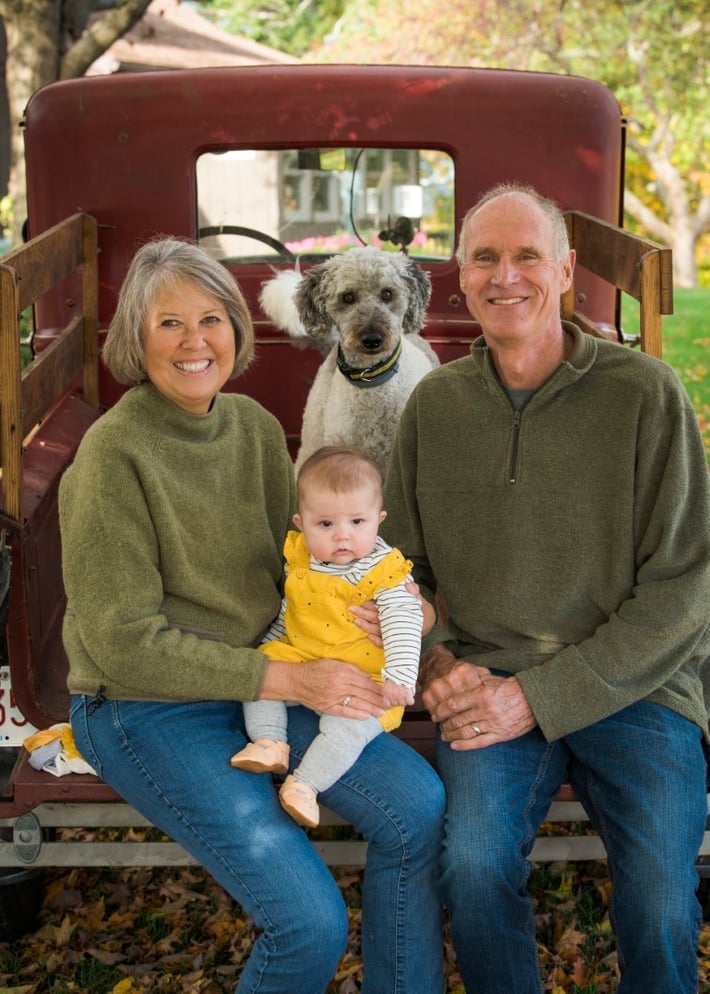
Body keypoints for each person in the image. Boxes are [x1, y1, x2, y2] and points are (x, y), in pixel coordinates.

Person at [60, 238, 446, 994]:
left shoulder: (255, 428)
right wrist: (289, 679)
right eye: (169, 323)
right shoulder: (113, 455)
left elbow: (306, 559)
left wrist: (395, 602)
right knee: (309, 923)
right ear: (135, 337)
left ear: (238, 329)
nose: (195, 341)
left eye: (212, 318)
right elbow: (121, 641)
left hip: (259, 682)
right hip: (143, 706)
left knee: (417, 807)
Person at [382, 182, 710, 994]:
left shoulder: (645, 394)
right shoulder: (435, 407)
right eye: (485, 258)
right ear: (459, 276)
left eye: (527, 256)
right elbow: (394, 575)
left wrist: (539, 696)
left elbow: (683, 587)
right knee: (470, 866)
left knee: (664, 894)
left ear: (566, 272)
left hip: (637, 686)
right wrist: (436, 668)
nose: (506, 277)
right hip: (486, 681)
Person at [230, 445, 420, 828]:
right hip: (304, 657)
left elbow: (404, 621)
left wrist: (400, 677)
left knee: (350, 729)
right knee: (260, 677)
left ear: (378, 520)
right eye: (326, 525)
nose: (342, 537)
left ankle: (305, 785)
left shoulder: (384, 572)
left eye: (357, 522)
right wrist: (273, 643)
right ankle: (270, 742)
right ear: (302, 522)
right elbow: (294, 612)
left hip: (363, 678)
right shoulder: (303, 559)